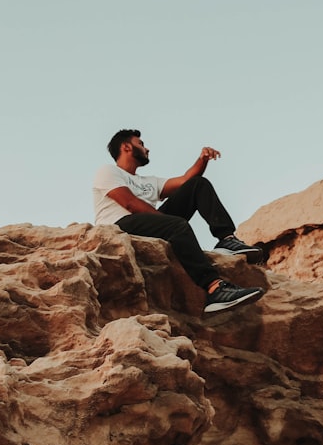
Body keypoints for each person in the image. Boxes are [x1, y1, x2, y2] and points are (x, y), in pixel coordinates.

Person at [92, 129, 264, 313]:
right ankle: (215, 288)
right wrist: (169, 222)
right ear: (126, 147)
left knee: (198, 184)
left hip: (148, 223)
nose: (147, 149)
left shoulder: (148, 181)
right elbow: (130, 203)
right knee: (177, 225)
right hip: (120, 226)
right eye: (141, 144)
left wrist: (202, 159)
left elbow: (185, 180)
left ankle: (227, 239)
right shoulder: (108, 171)